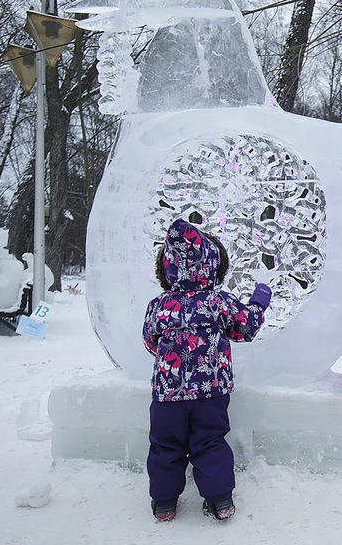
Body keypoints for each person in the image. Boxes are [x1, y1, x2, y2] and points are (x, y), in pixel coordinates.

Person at [143, 218, 272, 523]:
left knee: (165, 445)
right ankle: (220, 500)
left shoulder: (159, 306)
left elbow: (150, 341)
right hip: (211, 394)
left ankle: (164, 503)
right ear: (215, 266)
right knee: (210, 442)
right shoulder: (219, 303)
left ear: (166, 267)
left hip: (167, 395)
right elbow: (246, 327)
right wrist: (259, 302)